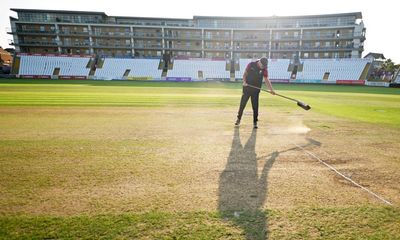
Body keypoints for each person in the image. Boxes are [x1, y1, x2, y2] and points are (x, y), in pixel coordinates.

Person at [235, 57, 275, 128]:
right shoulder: (251, 65)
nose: (263, 67)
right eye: (263, 66)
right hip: (247, 88)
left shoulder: (264, 69)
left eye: (264, 66)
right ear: (259, 62)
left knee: (255, 107)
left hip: (256, 90)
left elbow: (266, 79)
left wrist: (271, 90)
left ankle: (255, 122)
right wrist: (244, 82)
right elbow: (245, 74)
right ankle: (238, 119)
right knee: (242, 104)